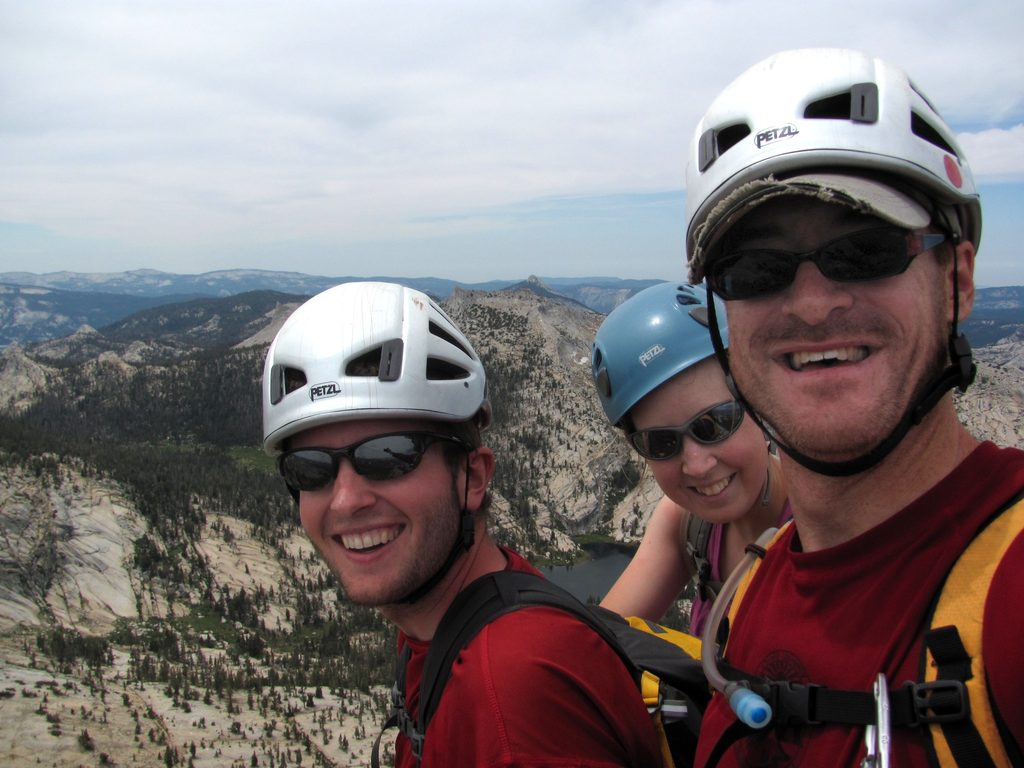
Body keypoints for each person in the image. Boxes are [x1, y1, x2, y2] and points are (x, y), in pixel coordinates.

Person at [682, 48, 1024, 766]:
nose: (811, 304)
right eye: (756, 270)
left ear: (956, 280)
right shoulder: (752, 585)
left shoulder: (1010, 586)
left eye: (864, 250)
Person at [260, 281, 663, 768]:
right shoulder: (445, 627)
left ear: (473, 476)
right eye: (311, 469)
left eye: (388, 456)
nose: (345, 501)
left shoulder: (513, 697)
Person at [590, 282, 788, 635]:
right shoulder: (686, 523)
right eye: (661, 443)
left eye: (714, 424)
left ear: (756, 398)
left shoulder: (826, 523)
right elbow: (596, 646)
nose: (696, 464)